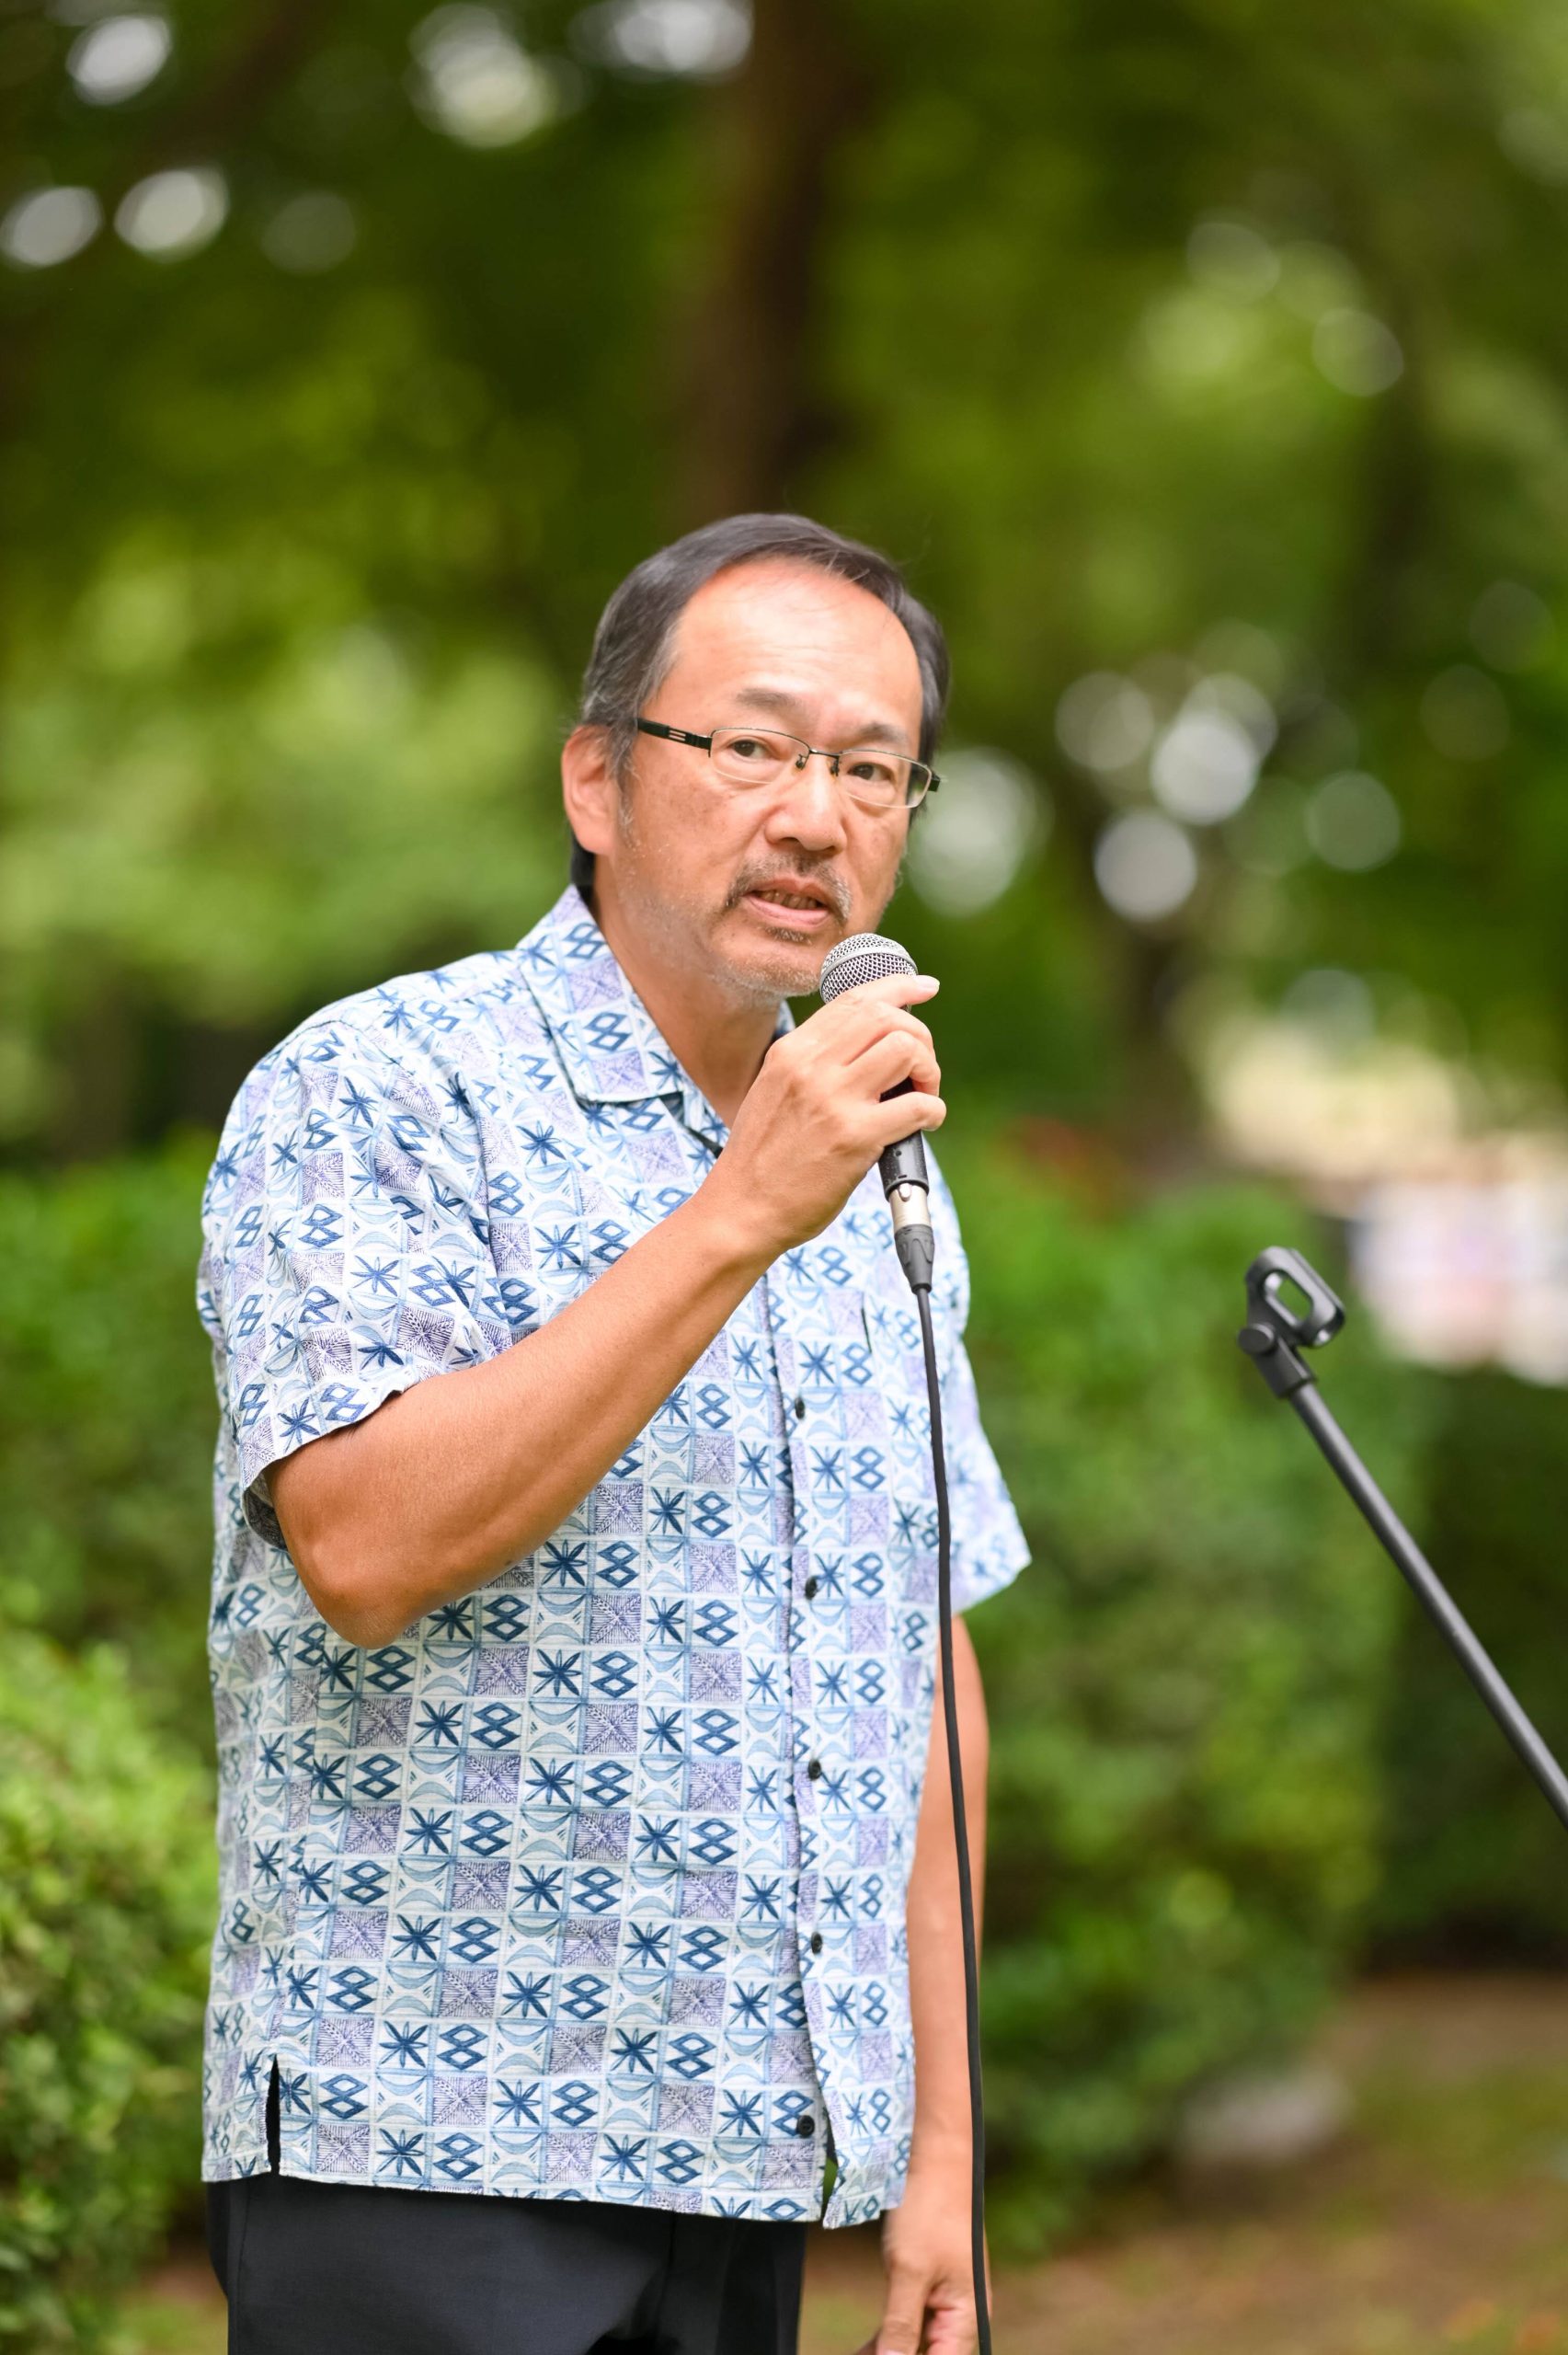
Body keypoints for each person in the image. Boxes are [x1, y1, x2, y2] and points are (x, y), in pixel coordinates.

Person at [197, 512, 1028, 2355]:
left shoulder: (881, 1166)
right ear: (596, 779)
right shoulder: (380, 1088)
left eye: (871, 769)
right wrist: (740, 1212)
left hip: (752, 2165)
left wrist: (943, 2153)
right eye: (752, 746)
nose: (811, 815)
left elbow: (921, 1656)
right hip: (423, 2147)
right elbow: (363, 1543)